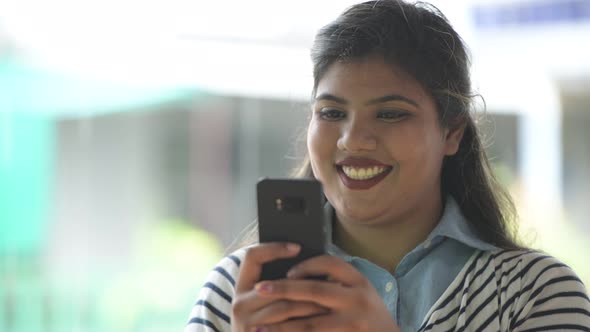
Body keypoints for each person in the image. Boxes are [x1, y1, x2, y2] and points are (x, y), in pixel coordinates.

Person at [184, 1, 590, 331]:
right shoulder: (237, 293)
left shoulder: (536, 293)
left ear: (453, 133)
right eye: (330, 113)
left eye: (391, 114)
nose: (352, 140)